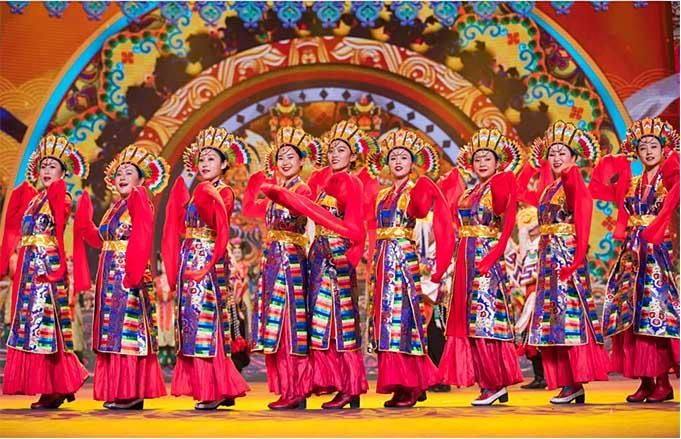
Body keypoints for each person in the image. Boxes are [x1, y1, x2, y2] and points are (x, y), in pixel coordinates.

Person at [260, 121, 376, 409]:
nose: (335, 155)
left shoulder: (351, 182)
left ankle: (349, 386)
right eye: (332, 150)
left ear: (353, 155)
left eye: (342, 150)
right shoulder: (323, 186)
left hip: (336, 255)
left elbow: (355, 227)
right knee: (322, 323)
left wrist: (349, 258)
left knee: (340, 322)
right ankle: (336, 383)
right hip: (318, 255)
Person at [73, 145, 170, 409]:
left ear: (141, 178)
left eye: (129, 172)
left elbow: (143, 234)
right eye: (118, 173)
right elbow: (101, 240)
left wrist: (133, 273)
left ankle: (131, 392)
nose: (122, 176)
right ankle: (119, 390)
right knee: (113, 332)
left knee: (128, 332)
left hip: (128, 275)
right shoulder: (116, 207)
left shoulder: (139, 198)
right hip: (110, 277)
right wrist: (85, 223)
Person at [590, 117, 679, 403]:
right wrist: (609, 164)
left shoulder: (669, 179)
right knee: (630, 314)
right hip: (632, 251)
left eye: (654, 146)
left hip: (656, 251)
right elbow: (598, 190)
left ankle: (662, 381)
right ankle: (645, 381)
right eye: (643, 147)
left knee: (653, 312)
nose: (649, 151)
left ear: (663, 149)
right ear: (637, 152)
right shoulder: (633, 183)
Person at [162, 127, 251, 410]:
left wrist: (204, 196)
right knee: (191, 322)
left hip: (209, 262)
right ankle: (214, 387)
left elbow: (217, 225)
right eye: (201, 159)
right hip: (190, 260)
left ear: (224, 163)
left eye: (211, 158)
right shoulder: (198, 192)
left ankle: (215, 388)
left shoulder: (223, 192)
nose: (204, 163)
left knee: (207, 324)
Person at [521, 120, 609, 404]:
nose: (557, 158)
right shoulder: (549, 188)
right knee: (553, 319)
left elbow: (580, 212)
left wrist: (577, 260)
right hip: (548, 257)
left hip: (565, 257)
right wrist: (532, 166)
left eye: (562, 153)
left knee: (567, 317)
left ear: (574, 156)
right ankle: (567, 382)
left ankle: (574, 382)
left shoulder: (573, 181)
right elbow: (519, 192)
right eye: (552, 153)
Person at [365, 128, 454, 408]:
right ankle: (399, 383)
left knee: (405, 320)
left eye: (404, 157)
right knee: (385, 321)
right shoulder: (382, 195)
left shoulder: (415, 191)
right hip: (383, 259)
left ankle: (414, 383)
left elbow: (423, 212)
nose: (398, 162)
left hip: (403, 259)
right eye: (393, 157)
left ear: (413, 162)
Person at [0, 135, 89, 409]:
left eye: (53, 166)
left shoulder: (61, 197)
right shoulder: (34, 199)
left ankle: (60, 383)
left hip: (46, 268)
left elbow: (59, 225)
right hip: (28, 268)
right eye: (44, 165)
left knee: (48, 328)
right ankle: (56, 385)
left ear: (63, 172)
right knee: (33, 328)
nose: (47, 170)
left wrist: (57, 270)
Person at [438, 128, 524, 405]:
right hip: (465, 258)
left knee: (485, 321)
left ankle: (494, 382)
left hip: (486, 256)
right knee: (468, 322)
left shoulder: (501, 184)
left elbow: (507, 224)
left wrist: (493, 257)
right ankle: (489, 383)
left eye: (488, 158)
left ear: (498, 162)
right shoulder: (470, 191)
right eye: (478, 159)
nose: (482, 162)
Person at [242, 126, 322, 410]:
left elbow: (298, 209)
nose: (285, 162)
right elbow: (250, 209)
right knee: (277, 324)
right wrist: (256, 186)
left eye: (291, 156)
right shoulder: (277, 191)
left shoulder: (302, 189)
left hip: (292, 261)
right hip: (274, 260)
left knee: (292, 324)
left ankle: (297, 389)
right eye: (281, 157)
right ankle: (287, 387)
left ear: (302, 161)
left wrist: (273, 191)